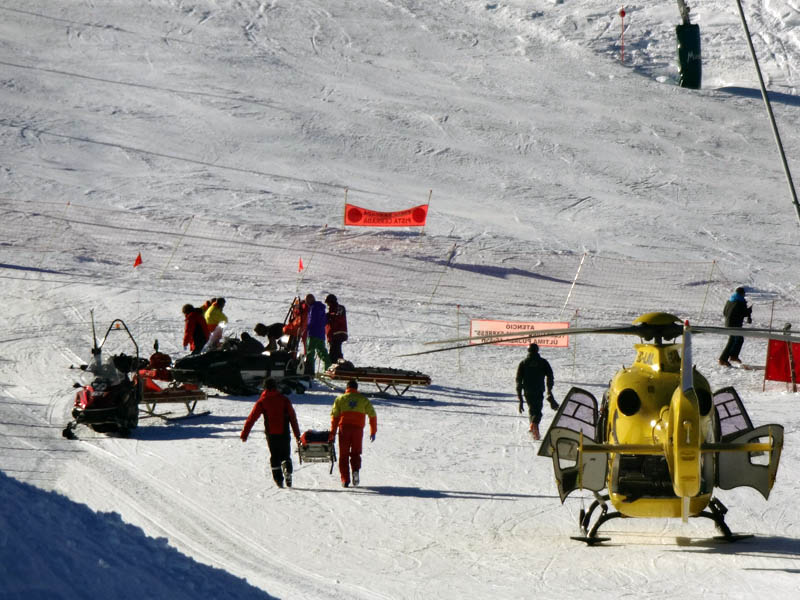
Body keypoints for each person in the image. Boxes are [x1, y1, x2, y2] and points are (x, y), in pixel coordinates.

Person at [240, 377, 302, 488]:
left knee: (274, 456)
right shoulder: (284, 400)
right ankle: (287, 470)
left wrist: (245, 433)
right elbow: (293, 418)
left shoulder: (262, 401)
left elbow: (252, 418)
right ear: (276, 387)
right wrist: (297, 435)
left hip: (271, 434)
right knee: (285, 455)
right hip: (284, 432)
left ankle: (278, 479)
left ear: (265, 388)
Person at [329, 379, 377, 487]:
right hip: (358, 430)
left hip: (344, 429)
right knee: (356, 452)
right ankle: (355, 470)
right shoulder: (363, 399)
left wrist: (332, 433)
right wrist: (373, 431)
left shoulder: (340, 399)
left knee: (344, 454)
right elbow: (372, 415)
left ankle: (345, 479)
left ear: (347, 388)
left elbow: (334, 418)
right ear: (356, 388)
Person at [515, 343, 557, 440]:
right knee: (537, 411)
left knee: (532, 410)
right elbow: (550, 376)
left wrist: (520, 399)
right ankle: (533, 425)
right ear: (537, 350)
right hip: (538, 390)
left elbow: (518, 382)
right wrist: (549, 391)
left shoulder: (523, 363)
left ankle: (535, 432)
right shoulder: (543, 362)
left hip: (527, 391)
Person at [719, 286, 753, 367]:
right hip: (735, 324)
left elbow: (724, 312)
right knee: (733, 340)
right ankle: (722, 359)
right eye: (744, 294)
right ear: (742, 294)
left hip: (729, 323)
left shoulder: (730, 300)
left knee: (738, 339)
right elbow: (743, 313)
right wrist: (749, 310)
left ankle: (733, 356)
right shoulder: (740, 301)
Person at [305, 294, 331, 371]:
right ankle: (327, 368)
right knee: (322, 351)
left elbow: (312, 320)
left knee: (310, 352)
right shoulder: (321, 308)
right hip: (321, 334)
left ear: (310, 300)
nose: (306, 302)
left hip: (313, 333)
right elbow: (325, 321)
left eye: (307, 300)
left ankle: (310, 371)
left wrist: (306, 328)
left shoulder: (313, 308)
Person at [325, 294, 348, 363]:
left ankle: (334, 367)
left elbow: (337, 316)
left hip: (338, 334)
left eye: (328, 303)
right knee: (337, 352)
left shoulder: (340, 308)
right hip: (333, 335)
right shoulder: (330, 311)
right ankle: (341, 366)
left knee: (333, 354)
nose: (328, 305)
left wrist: (330, 316)